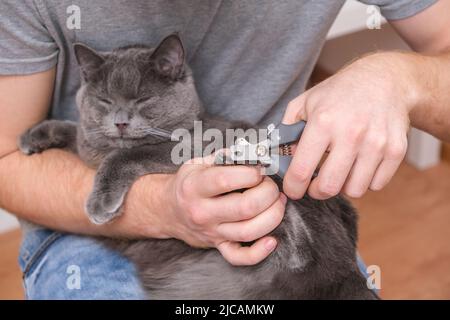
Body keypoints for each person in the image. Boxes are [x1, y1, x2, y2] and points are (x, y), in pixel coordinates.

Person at [0, 0, 449, 299]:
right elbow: (6, 159)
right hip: (75, 209)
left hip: (270, 194)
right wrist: (158, 207)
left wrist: (398, 77)